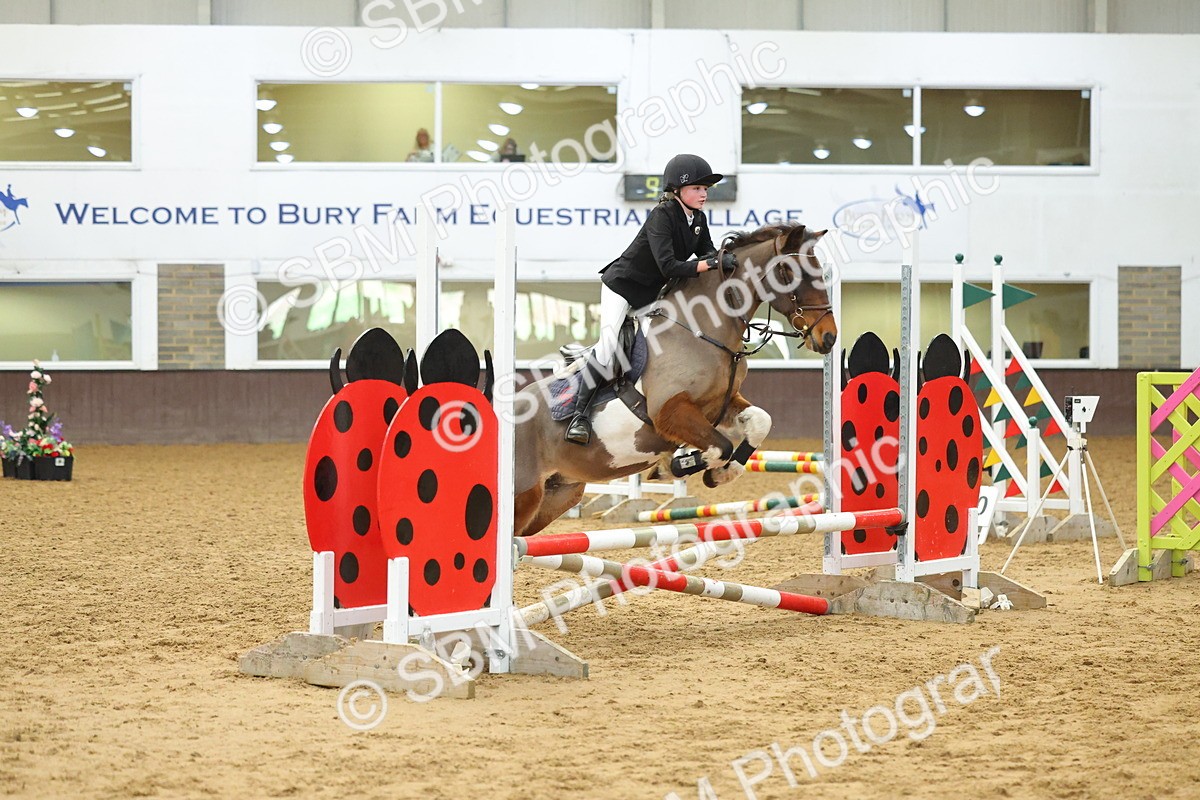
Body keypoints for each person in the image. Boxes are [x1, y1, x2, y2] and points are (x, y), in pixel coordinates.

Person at [564, 153, 736, 445]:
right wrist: (711, 264)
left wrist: (727, 260)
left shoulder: (698, 219)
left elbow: (707, 252)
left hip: (653, 295)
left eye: (705, 188)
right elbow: (668, 265)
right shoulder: (663, 215)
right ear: (678, 190)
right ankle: (576, 416)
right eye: (697, 188)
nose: (703, 193)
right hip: (623, 288)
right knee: (608, 347)